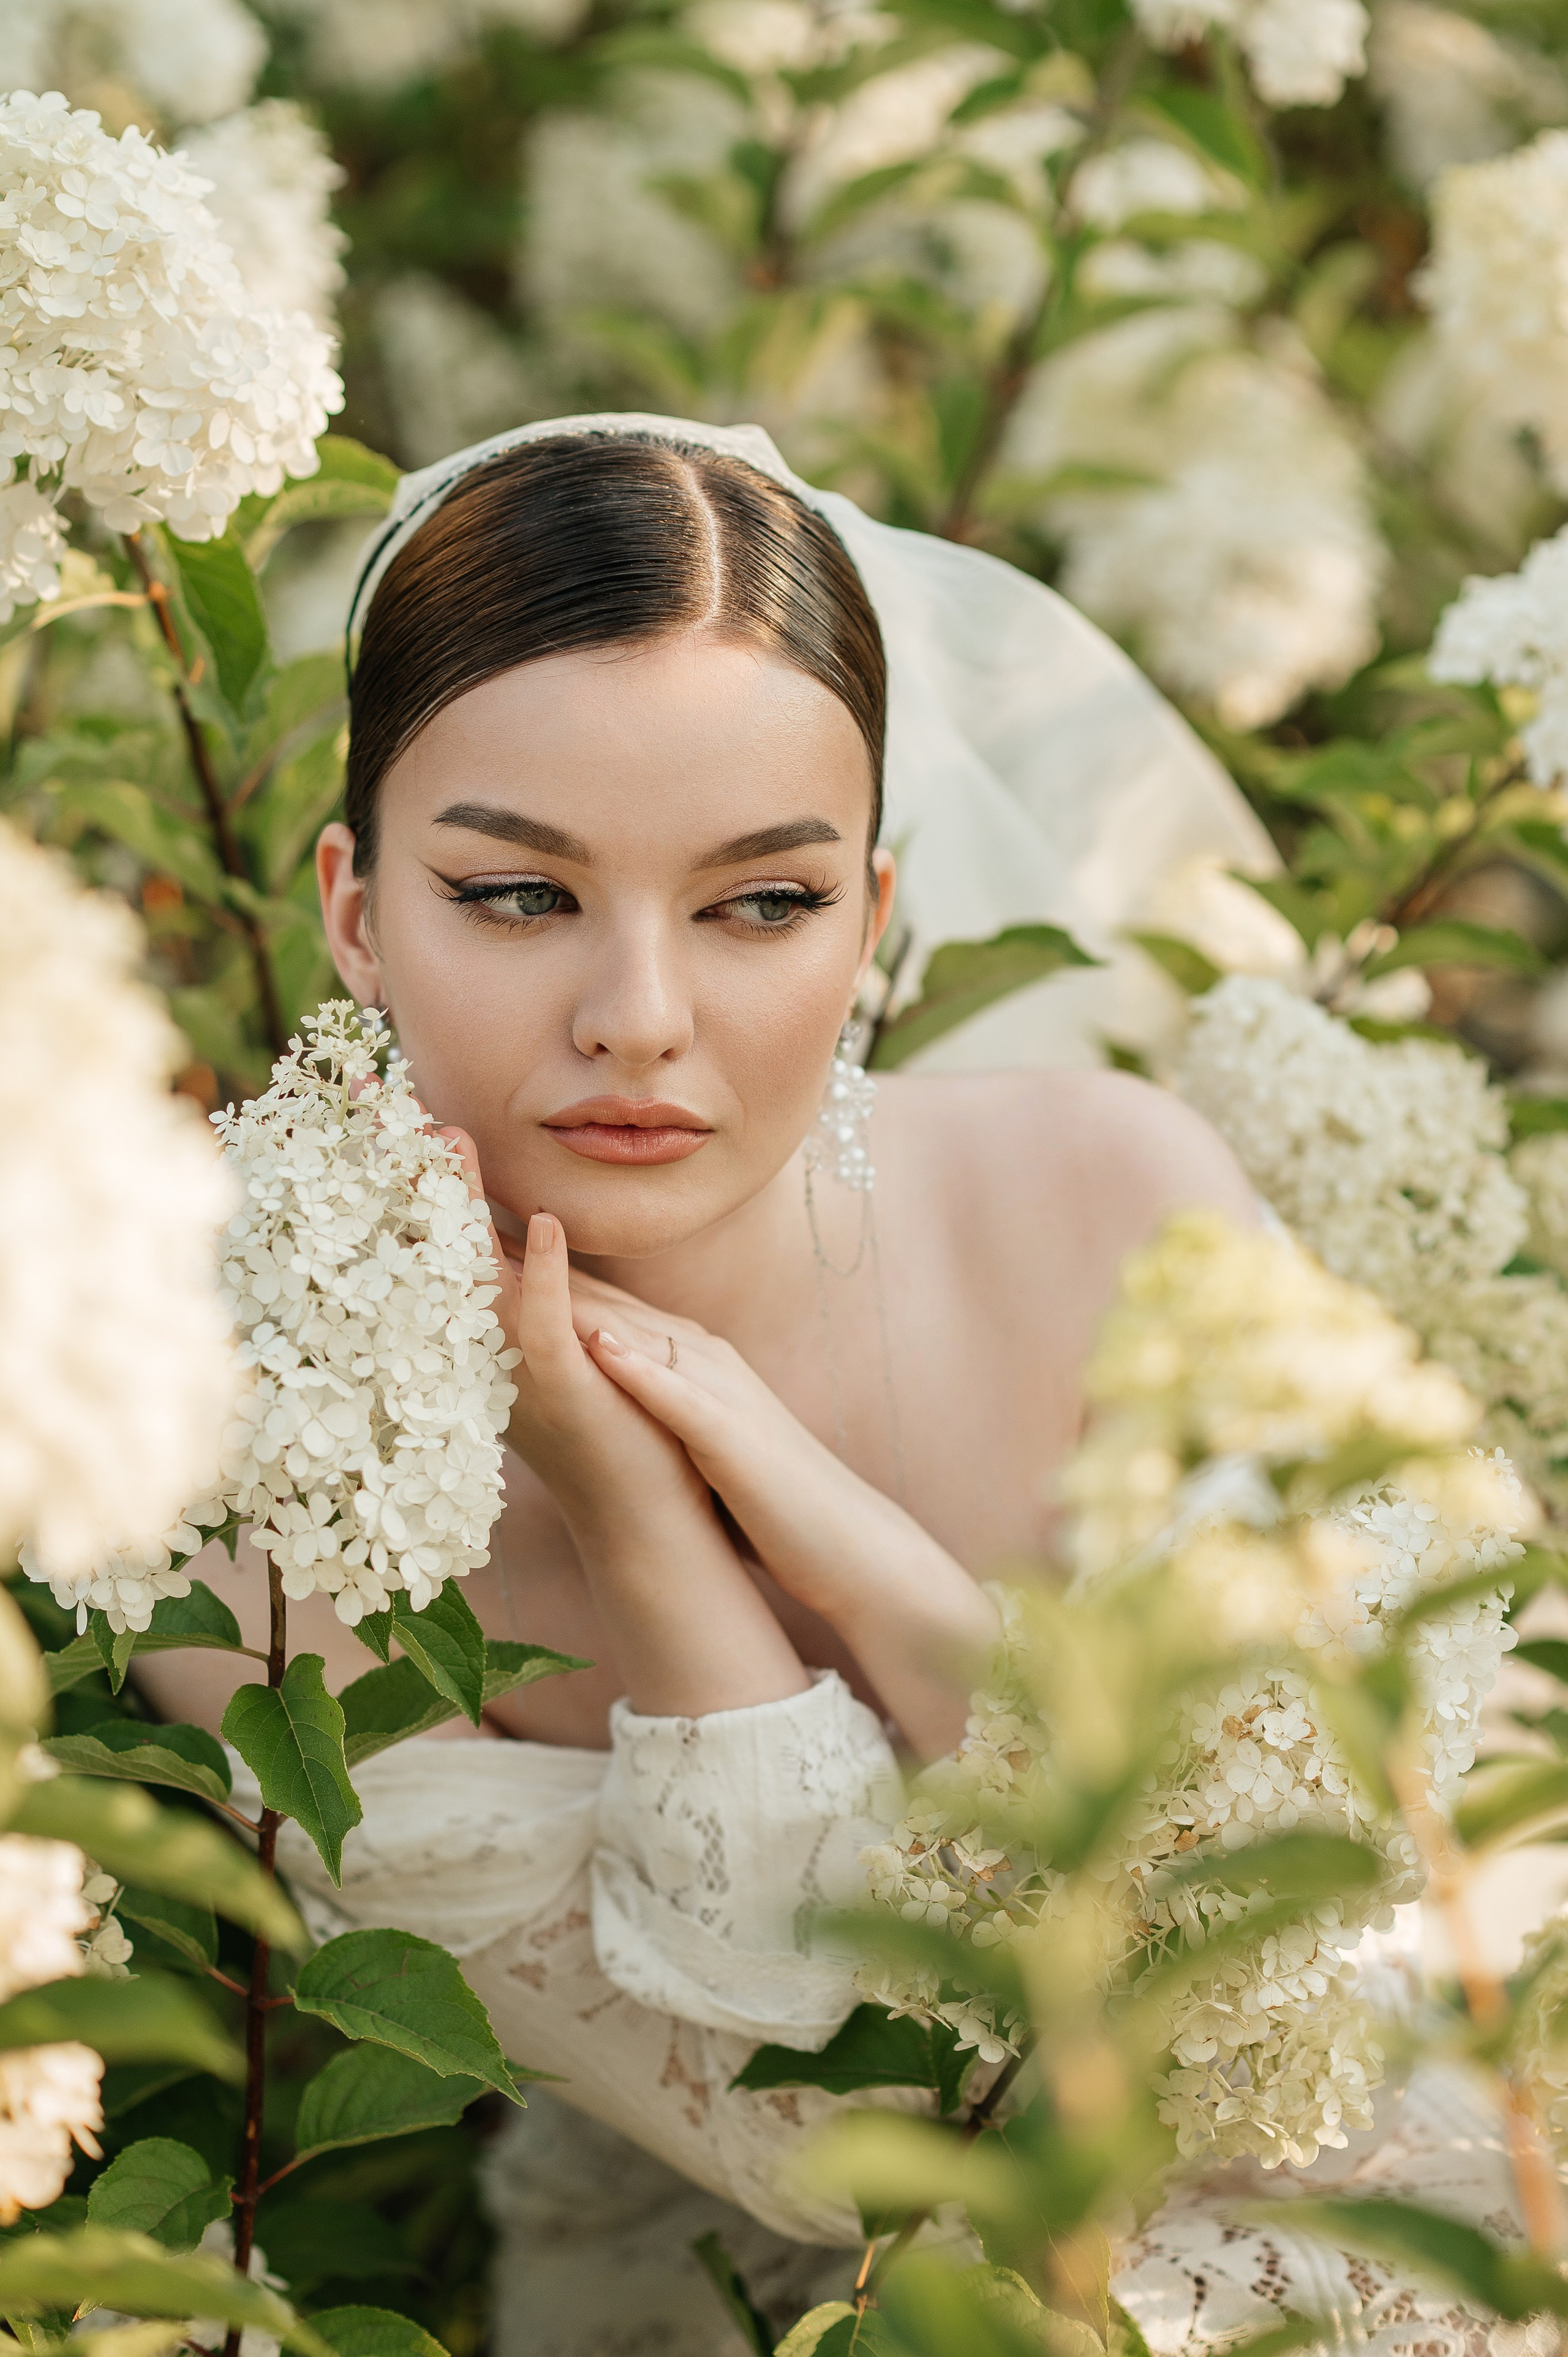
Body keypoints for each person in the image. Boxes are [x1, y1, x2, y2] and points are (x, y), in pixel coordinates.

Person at [127, 416, 1355, 2353]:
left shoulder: (1119, 1209)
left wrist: (844, 1541)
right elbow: (840, 2145)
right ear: (355, 909)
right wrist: (635, 1519)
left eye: (759, 904)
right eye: (520, 897)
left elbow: (1357, 1920)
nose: (642, 1013)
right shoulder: (219, 1506)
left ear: (871, 923)